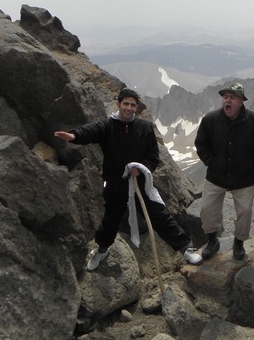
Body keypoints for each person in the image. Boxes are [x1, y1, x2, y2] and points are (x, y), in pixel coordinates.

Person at [54, 88, 200, 271]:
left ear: (136, 107)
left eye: (132, 105)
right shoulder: (108, 126)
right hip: (115, 184)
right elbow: (91, 131)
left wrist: (141, 169)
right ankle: (102, 250)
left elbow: (153, 156)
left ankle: (185, 249)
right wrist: (74, 135)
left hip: (140, 185)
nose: (129, 108)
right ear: (118, 104)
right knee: (110, 219)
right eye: (126, 104)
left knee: (159, 215)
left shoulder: (144, 128)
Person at [194, 82, 254, 261]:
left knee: (245, 211)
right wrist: (211, 162)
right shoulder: (210, 119)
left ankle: (239, 241)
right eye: (225, 97)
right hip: (216, 176)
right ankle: (212, 240)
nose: (227, 100)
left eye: (233, 97)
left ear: (241, 102)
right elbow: (201, 143)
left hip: (243, 178)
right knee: (207, 209)